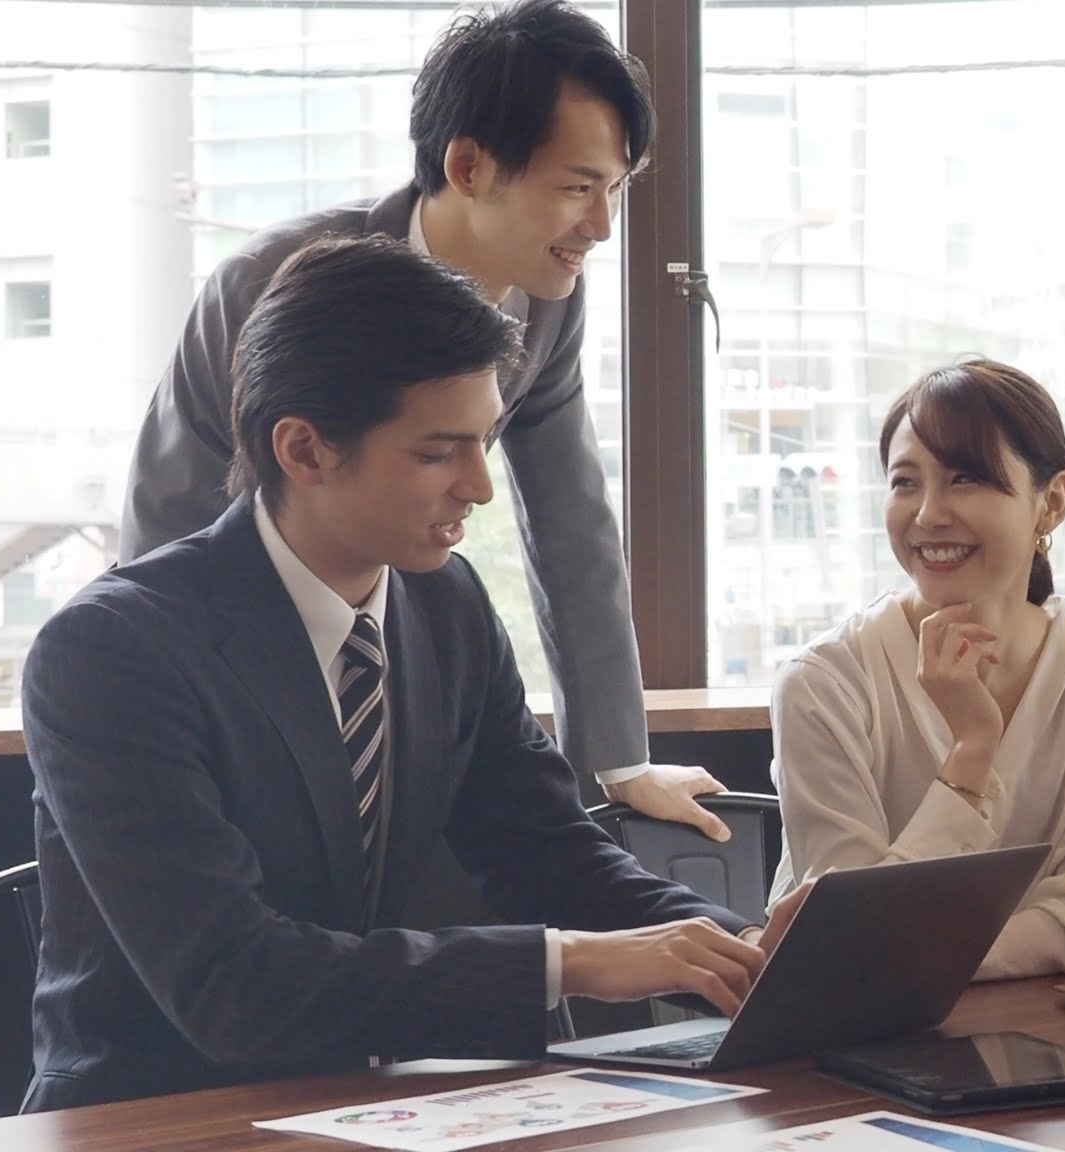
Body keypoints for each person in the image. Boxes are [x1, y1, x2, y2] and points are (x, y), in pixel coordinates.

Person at [22, 237, 810, 1113]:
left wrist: (748, 951)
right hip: (149, 1121)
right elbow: (234, 984)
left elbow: (545, 848)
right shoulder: (112, 652)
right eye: (440, 452)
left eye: (488, 442)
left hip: (371, 1109)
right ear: (305, 450)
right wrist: (575, 962)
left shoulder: (445, 606)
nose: (479, 486)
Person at [118, 0, 728, 838]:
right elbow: (171, 518)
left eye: (616, 191)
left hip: (391, 685)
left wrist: (617, 763)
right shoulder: (276, 287)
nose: (602, 227)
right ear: (470, 165)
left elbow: (571, 523)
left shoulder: (548, 302)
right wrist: (182, 739)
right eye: (577, 188)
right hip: (225, 683)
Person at [765, 359, 1065, 980]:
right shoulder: (822, 682)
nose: (928, 514)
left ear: (1051, 502)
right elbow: (853, 940)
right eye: (905, 482)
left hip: (1046, 1027)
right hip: (851, 1043)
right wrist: (971, 753)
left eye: (965, 478)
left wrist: (933, 954)